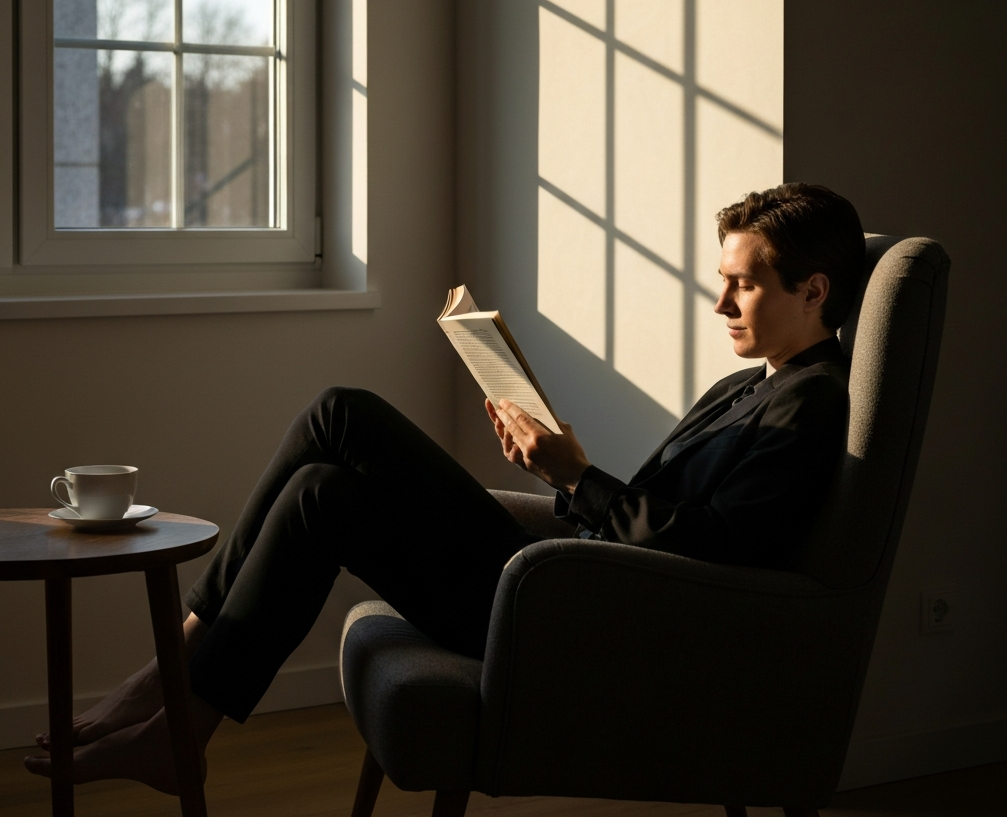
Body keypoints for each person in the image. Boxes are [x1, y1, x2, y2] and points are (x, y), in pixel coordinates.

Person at [26, 182, 865, 795]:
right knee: (324, 490)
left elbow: (707, 548)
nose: (720, 301)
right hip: (576, 577)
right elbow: (659, 519)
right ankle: (183, 722)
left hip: (584, 617)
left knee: (339, 414)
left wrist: (576, 475)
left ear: (814, 290)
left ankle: (169, 672)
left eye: (744, 283)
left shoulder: (811, 404)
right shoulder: (753, 384)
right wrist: (563, 474)